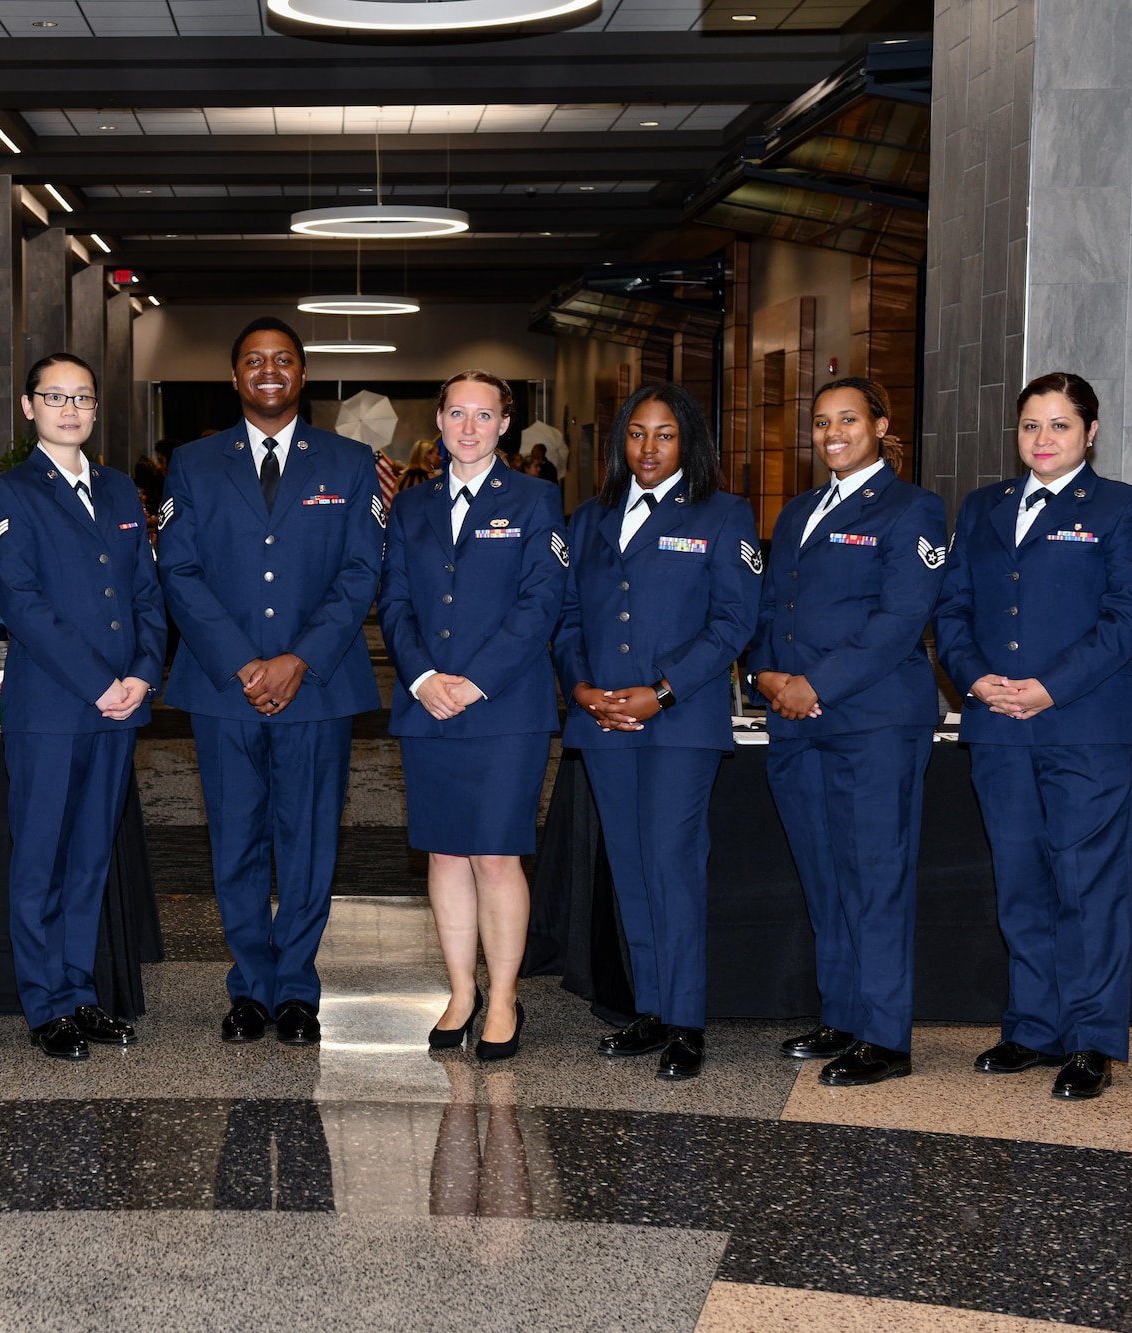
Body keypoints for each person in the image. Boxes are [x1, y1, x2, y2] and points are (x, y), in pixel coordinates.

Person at [934, 371, 1132, 1100]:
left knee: (1087, 886)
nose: (1042, 439)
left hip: (1084, 726)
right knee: (1021, 882)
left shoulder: (1126, 506)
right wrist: (972, 678)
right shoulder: (982, 507)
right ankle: (1033, 1025)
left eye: (1059, 425)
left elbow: (1129, 615)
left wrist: (1049, 686)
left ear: (1090, 432)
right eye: (1031, 425)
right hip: (998, 724)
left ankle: (1092, 1038)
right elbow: (952, 609)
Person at [158, 316, 385, 1047]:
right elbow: (179, 568)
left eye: (282, 360)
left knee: (310, 839)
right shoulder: (192, 463)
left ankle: (297, 990)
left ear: (302, 375)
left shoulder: (351, 463)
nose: (268, 370)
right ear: (234, 377)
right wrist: (241, 659)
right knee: (236, 839)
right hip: (223, 685)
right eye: (253, 360)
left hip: (317, 685)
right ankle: (250, 987)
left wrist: (297, 659)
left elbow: (361, 573)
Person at [553, 383, 762, 1081]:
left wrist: (663, 692)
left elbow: (733, 622)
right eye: (636, 435)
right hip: (602, 718)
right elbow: (567, 618)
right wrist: (581, 688)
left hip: (678, 723)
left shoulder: (723, 513)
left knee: (673, 865)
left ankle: (686, 1019)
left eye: (664, 435)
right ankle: (649, 1004)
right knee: (632, 867)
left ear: (689, 442)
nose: (648, 448)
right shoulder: (588, 518)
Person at [747, 378, 949, 1087]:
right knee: (825, 875)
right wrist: (765, 675)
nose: (833, 432)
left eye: (848, 419)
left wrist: (814, 685)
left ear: (880, 425)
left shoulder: (913, 508)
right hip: (796, 726)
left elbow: (899, 620)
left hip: (874, 723)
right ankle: (843, 1014)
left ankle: (886, 1034)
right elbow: (772, 607)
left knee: (875, 876)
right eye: (822, 420)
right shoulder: (800, 508)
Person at [379, 370, 568, 1062]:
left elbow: (541, 602)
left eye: (482, 415)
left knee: (494, 853)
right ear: (438, 418)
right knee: (444, 851)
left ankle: (506, 995)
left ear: (504, 426)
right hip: (427, 704)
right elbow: (394, 601)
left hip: (504, 708)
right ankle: (461, 991)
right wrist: (426, 677)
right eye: (456, 413)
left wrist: (476, 681)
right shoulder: (411, 504)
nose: (467, 427)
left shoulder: (535, 498)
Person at [0, 353, 166, 1061]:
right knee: (42, 856)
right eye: (54, 397)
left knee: (92, 854)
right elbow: (22, 604)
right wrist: (100, 682)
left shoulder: (121, 490)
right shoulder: (11, 492)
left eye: (82, 398)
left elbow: (147, 594)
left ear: (96, 408)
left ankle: (79, 990)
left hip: (121, 705)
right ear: (28, 406)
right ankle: (44, 1001)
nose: (70, 409)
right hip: (55, 705)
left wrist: (145, 674)